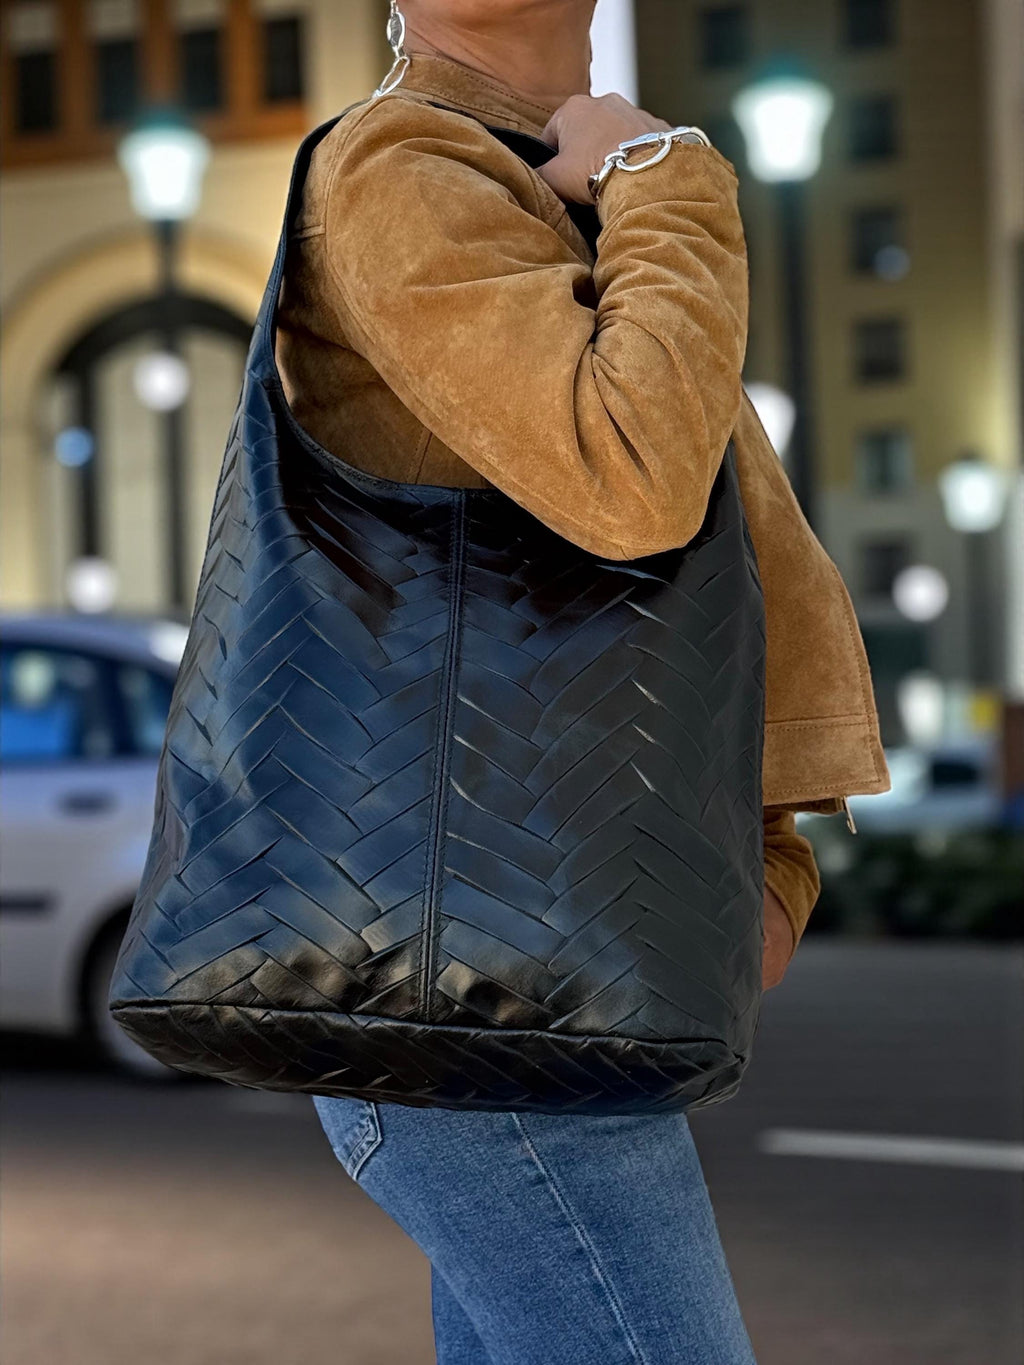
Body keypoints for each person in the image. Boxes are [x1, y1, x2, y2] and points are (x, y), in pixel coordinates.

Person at [274, 2, 888, 1360]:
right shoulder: (403, 165)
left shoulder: (554, 172)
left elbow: (705, 576)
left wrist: (767, 857)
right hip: (476, 980)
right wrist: (662, 168)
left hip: (540, 949)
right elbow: (633, 472)